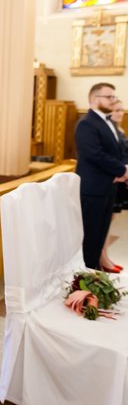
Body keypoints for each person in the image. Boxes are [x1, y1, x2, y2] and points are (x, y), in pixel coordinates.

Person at [75, 83, 128, 270]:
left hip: (108, 186)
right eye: (109, 97)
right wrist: (122, 171)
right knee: (90, 236)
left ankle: (96, 271)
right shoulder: (86, 123)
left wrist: (123, 167)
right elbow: (94, 154)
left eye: (114, 97)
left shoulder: (107, 122)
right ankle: (86, 275)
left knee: (100, 234)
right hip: (93, 189)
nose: (113, 100)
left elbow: (117, 150)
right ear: (94, 99)